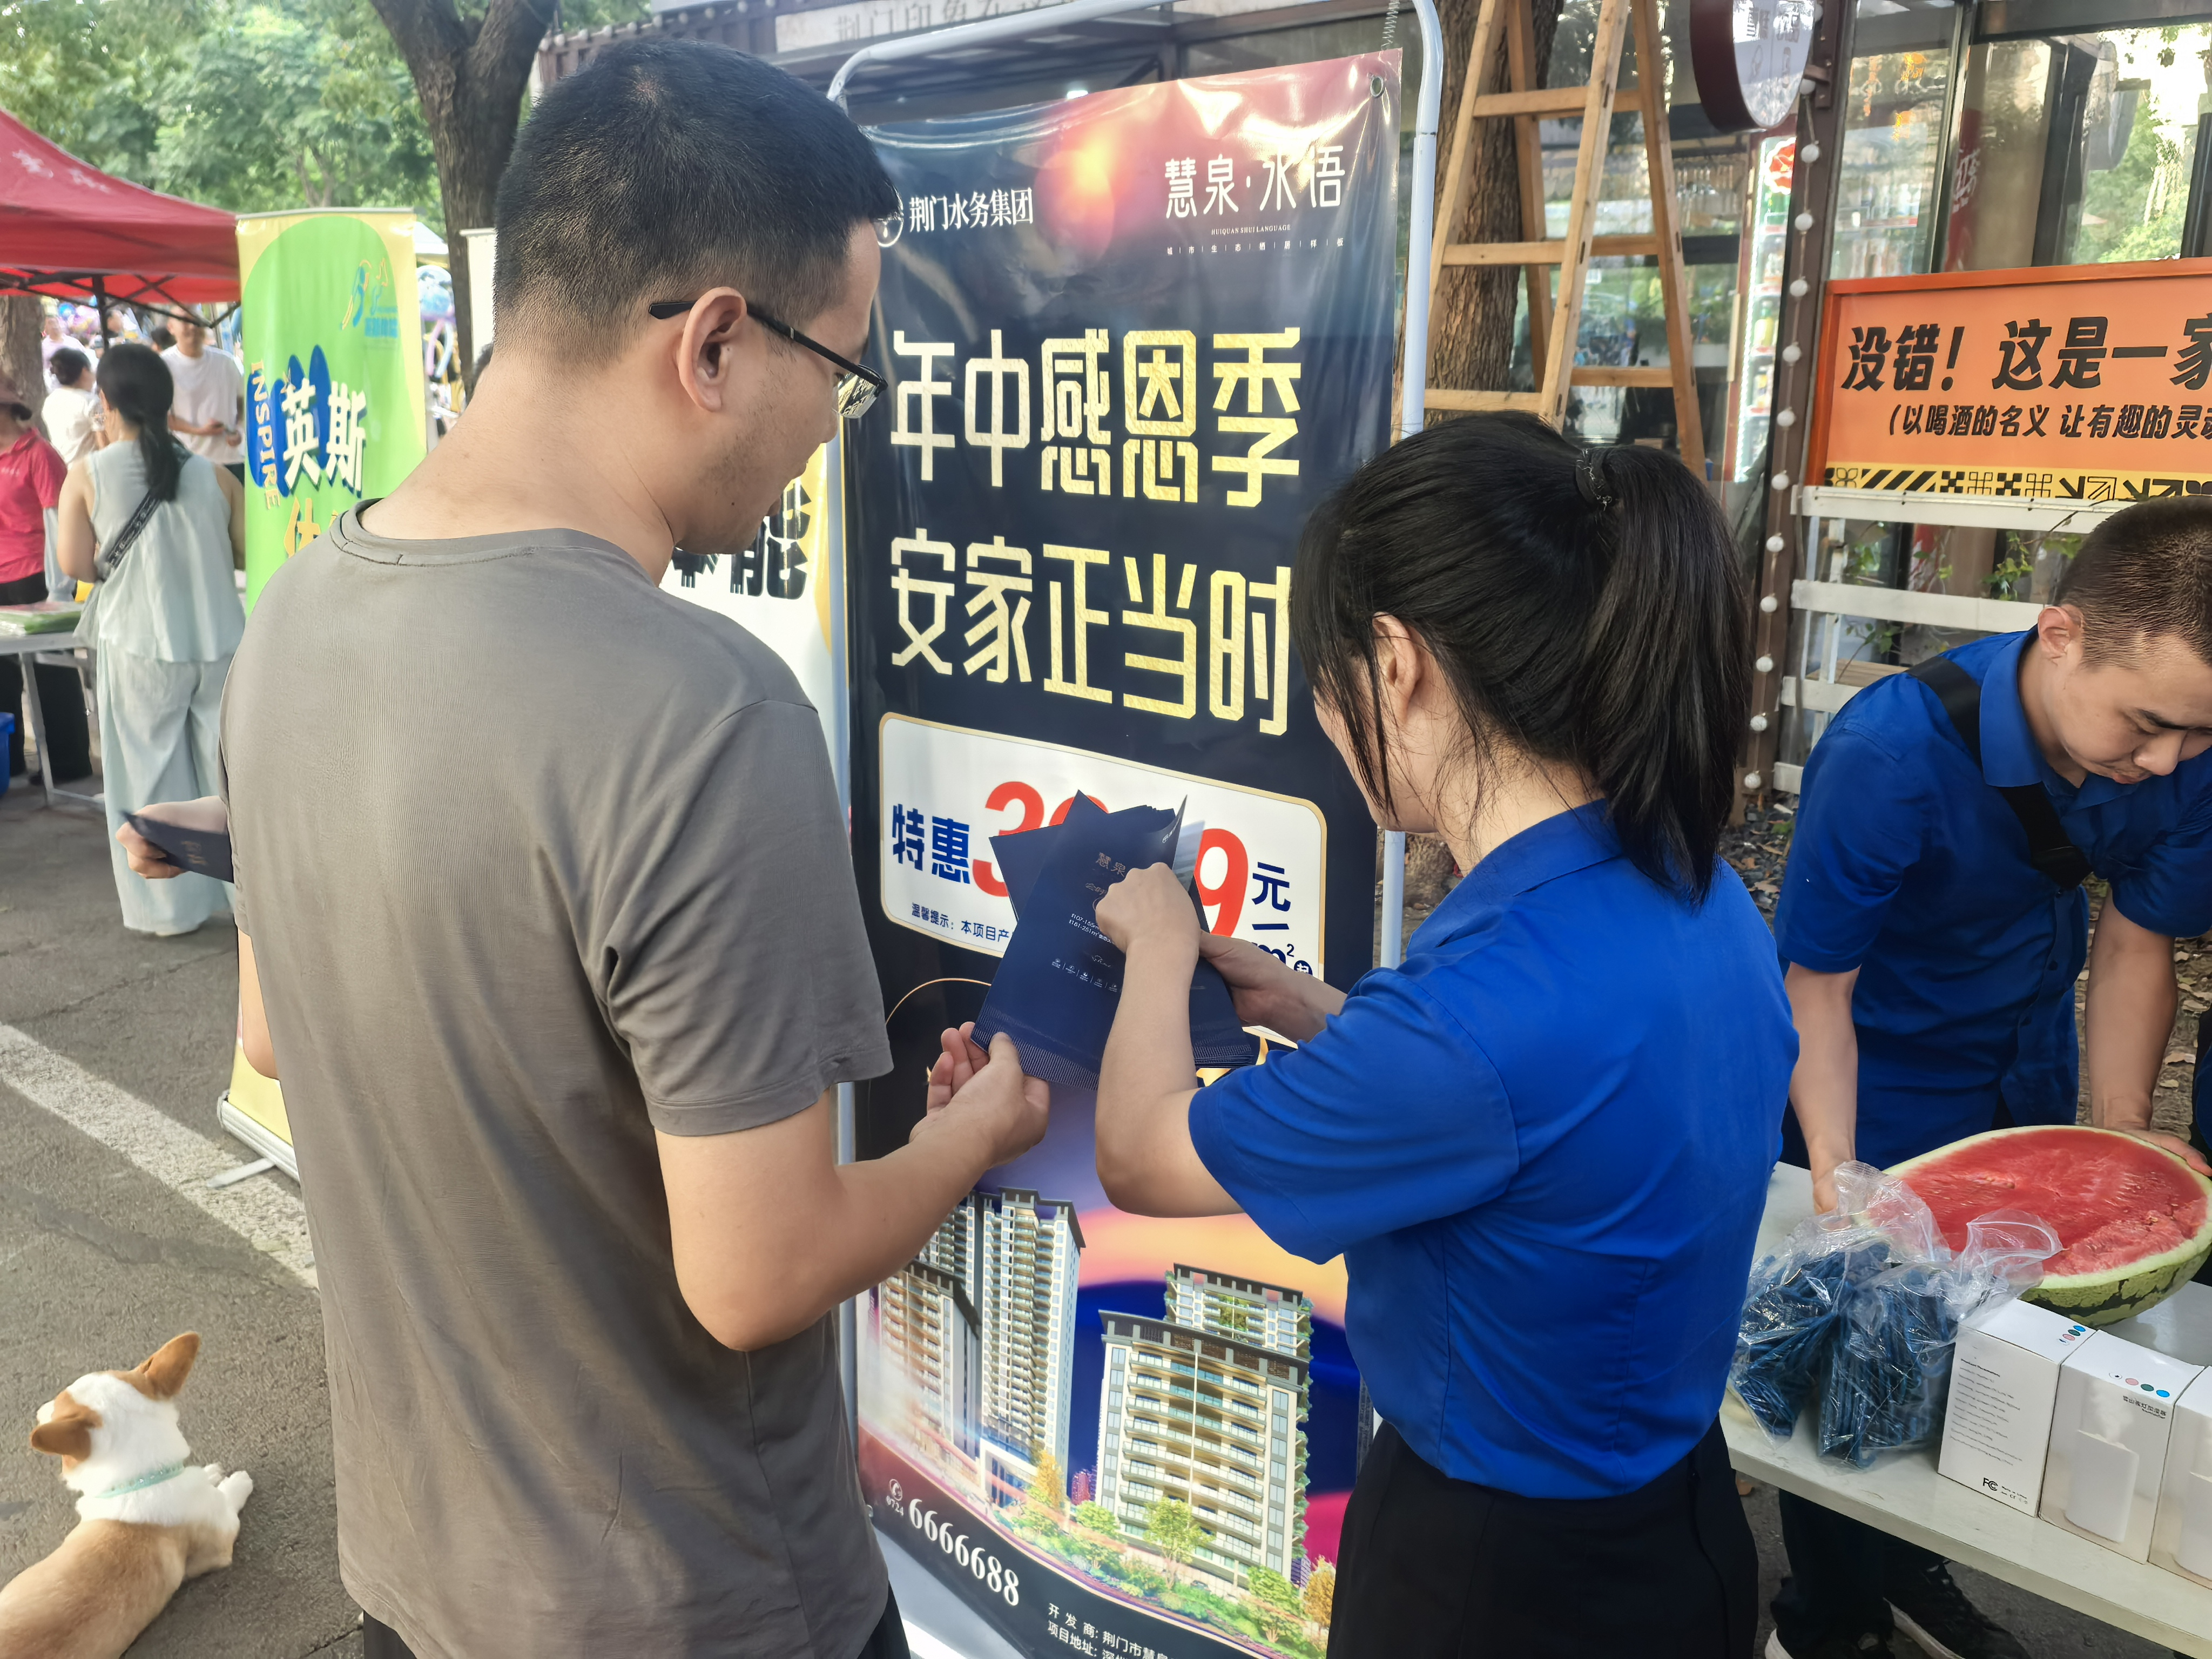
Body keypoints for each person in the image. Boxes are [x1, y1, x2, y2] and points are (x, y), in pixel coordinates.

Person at [119, 40, 1045, 1659]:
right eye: (845, 371)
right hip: (694, 1606)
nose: (833, 428)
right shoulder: (704, 714)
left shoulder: (303, 606)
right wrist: (972, 1139)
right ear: (714, 342)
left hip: (418, 1578)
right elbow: (757, 1274)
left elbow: (268, 1034)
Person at [1050, 413, 1797, 1657]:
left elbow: (1139, 1153)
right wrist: (1309, 1006)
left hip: (1493, 1583)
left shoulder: (1470, 1016)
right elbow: (1543, 1111)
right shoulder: (1695, 891)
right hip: (1686, 1538)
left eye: (1323, 674)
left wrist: (1161, 944)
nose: (1322, 711)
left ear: (1396, 663)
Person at [1771, 496, 2212, 1659]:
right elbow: (1817, 988)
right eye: (2147, 726)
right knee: (1861, 1360)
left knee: (1977, 1351)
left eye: (2196, 738)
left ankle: (1912, 1564)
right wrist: (1836, 1172)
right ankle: (1830, 1613)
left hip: (2028, 1070)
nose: (2166, 763)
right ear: (2060, 633)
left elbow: (2135, 940)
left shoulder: (2186, 745)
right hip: (1877, 1083)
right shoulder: (1887, 756)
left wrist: (2120, 1138)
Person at [53, 343, 243, 933]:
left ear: (105, 403)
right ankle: (246, 898)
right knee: (227, 778)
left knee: (148, 776)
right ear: (168, 403)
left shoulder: (88, 475)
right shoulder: (212, 474)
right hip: (218, 640)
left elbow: (76, 565)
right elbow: (244, 551)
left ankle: (170, 912)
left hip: (137, 643)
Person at [0, 372, 92, 781]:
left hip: (36, 577)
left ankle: (69, 762)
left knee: (51, 672)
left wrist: (59, 590)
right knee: (2, 677)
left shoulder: (39, 454)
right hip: (3, 578)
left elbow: (59, 523)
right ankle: (10, 760)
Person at [160, 313, 244, 483]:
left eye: (196, 321)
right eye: (185, 321)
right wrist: (199, 431)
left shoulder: (226, 362)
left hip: (234, 459)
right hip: (191, 462)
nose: (193, 326)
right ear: (171, 327)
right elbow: (160, 415)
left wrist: (238, 430)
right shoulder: (163, 366)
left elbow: (242, 402)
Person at [43, 348, 104, 466]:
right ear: (85, 371)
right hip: (89, 470)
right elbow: (103, 443)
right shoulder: (91, 402)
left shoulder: (50, 401)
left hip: (62, 469)